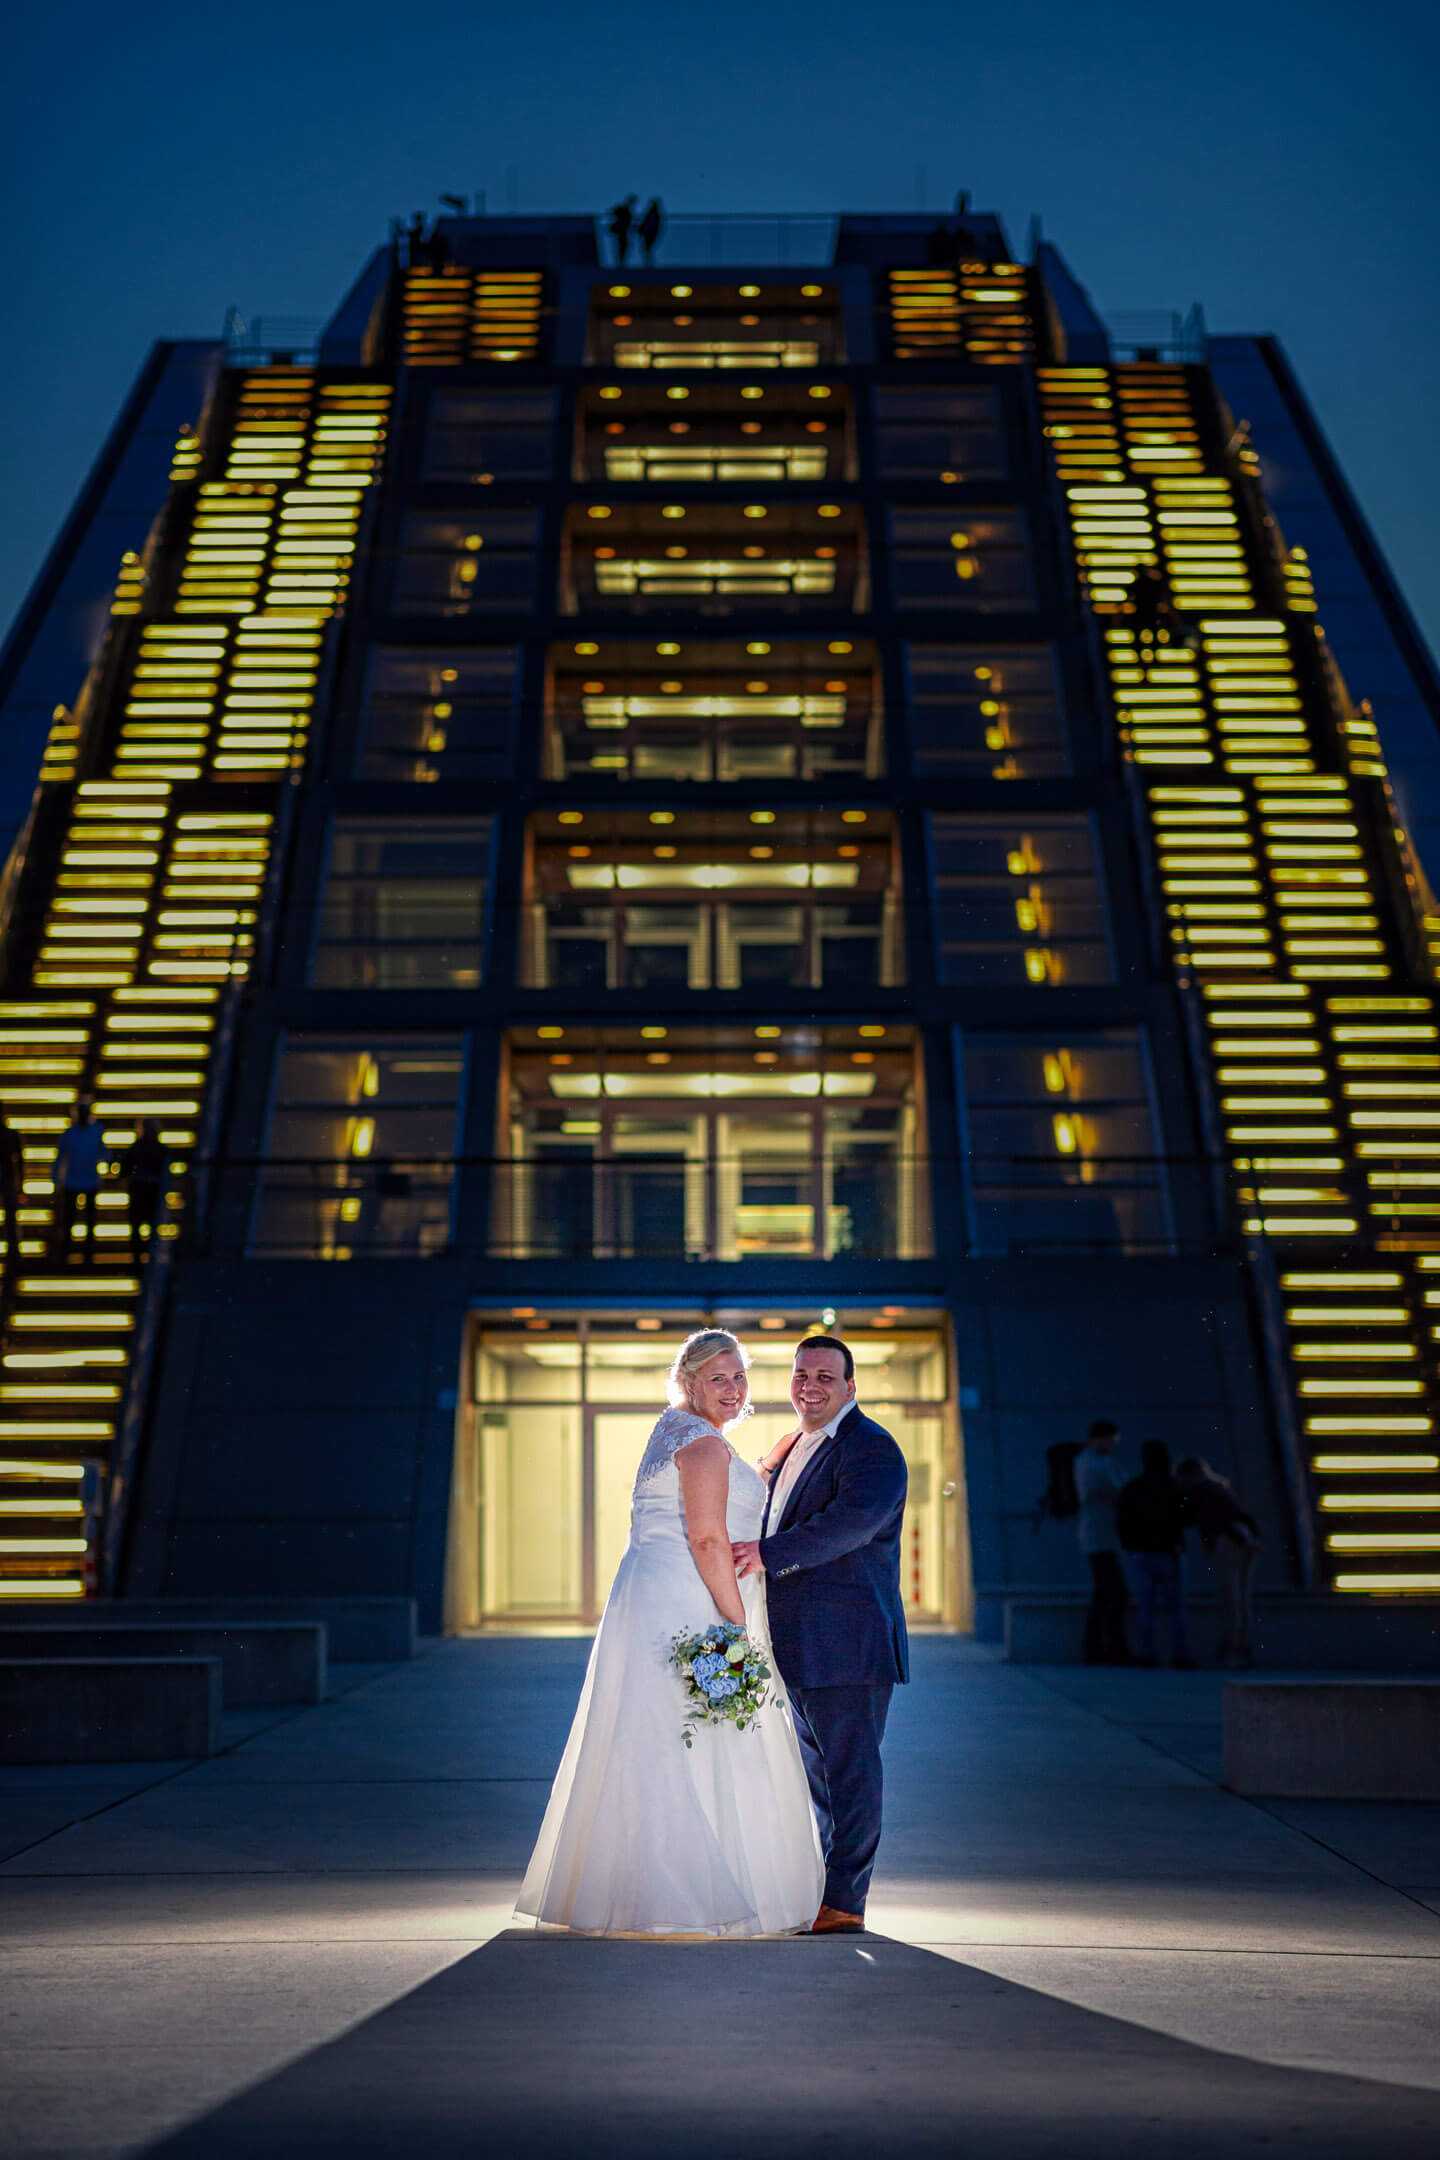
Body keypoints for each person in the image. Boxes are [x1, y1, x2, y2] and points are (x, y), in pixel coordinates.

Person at [516, 1330, 822, 1936]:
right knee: (701, 1735)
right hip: (695, 1605)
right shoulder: (704, 1446)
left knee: (655, 1733)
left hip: (656, 1601)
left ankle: (630, 1891)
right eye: (718, 1378)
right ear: (688, 1382)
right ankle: (685, 1897)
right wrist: (739, 1625)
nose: (733, 1389)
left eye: (739, 1377)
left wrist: (764, 1464)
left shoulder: (675, 1431)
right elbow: (707, 1539)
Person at [732, 1335, 909, 1934]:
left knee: (851, 1774)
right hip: (799, 1644)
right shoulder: (796, 1447)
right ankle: (825, 1895)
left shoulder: (873, 1450)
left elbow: (848, 1526)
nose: (810, 1385)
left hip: (848, 1643)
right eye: (801, 1373)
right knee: (821, 1779)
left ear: (851, 1387)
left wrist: (763, 1553)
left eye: (826, 1377)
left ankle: (845, 1904)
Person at [1176, 1456, 1261, 1669]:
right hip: (1245, 1539)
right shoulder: (1220, 1488)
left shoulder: (1201, 1491)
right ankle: (1242, 1647)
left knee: (1230, 1598)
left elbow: (1190, 1518)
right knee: (1241, 1598)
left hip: (1227, 1540)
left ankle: (1233, 1649)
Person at [1117, 1440, 1194, 1669]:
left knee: (1146, 1608)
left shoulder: (1133, 1487)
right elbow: (1188, 1517)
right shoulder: (1175, 1486)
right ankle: (1181, 1656)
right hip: (1171, 1552)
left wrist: (1130, 1545)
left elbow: (1122, 1521)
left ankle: (1147, 1655)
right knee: (1177, 1608)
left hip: (1141, 1553)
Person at [1076, 1418, 1129, 1665]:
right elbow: (1117, 1490)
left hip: (1103, 1537)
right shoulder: (1091, 1463)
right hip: (1099, 1538)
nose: (1114, 1446)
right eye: (1112, 1441)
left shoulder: (1095, 1461)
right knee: (1111, 1593)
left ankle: (1099, 1647)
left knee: (1106, 1593)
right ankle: (1103, 1648)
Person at [50, 1101, 108, 1265]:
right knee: (70, 1220)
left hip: (88, 1182)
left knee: (88, 1220)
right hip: (73, 1182)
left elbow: (103, 1151)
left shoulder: (95, 1131)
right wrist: (55, 1179)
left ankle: (87, 1254)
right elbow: (60, 1157)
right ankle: (67, 1252)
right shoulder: (70, 1134)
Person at [124, 1120, 168, 1256]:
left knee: (137, 1225)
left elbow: (125, 1169)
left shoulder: (135, 1148)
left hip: (139, 1189)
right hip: (151, 1190)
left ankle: (138, 1256)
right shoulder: (160, 1149)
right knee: (150, 1225)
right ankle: (149, 1254)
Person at [0, 1110, 22, 1268]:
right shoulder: (11, 1134)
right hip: (8, 1178)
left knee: (11, 1218)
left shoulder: (11, 1134)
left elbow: (19, 1160)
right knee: (11, 1219)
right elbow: (19, 1161)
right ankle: (14, 1252)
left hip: (7, 1178)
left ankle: (14, 1251)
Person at [606, 196, 637, 265]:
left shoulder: (626, 210)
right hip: (621, 232)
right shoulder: (624, 210)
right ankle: (620, 262)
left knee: (623, 246)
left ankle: (620, 262)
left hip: (622, 232)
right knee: (622, 246)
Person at [637, 196, 665, 264]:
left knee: (647, 248)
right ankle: (649, 262)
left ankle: (648, 263)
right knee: (647, 249)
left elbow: (648, 224)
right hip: (650, 234)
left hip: (649, 234)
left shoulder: (652, 214)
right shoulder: (655, 214)